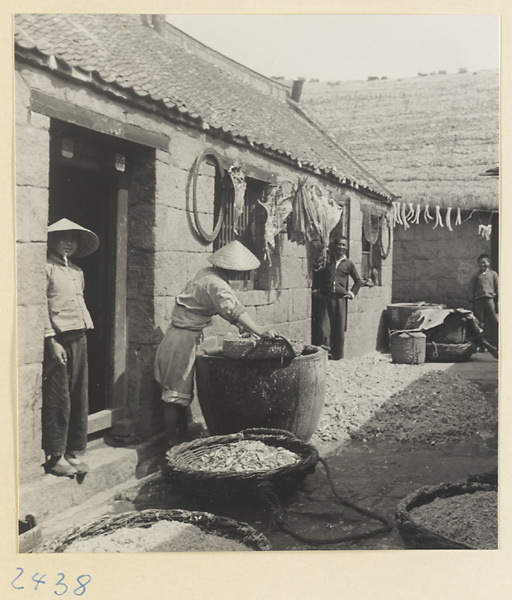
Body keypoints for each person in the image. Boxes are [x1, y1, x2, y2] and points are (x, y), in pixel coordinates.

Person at [155, 240, 277, 447]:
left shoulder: (207, 273)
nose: (241, 275)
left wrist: (241, 325)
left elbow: (219, 306)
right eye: (240, 271)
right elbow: (233, 309)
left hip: (184, 336)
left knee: (183, 392)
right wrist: (259, 330)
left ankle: (183, 437)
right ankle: (170, 443)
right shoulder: (216, 283)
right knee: (174, 396)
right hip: (181, 341)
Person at [42, 218, 99, 477]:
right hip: (59, 338)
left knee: (78, 393)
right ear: (52, 240)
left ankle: (71, 450)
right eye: (63, 238)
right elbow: (41, 306)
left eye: (73, 239)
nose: (68, 243)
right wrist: (51, 340)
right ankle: (55, 456)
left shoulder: (77, 271)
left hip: (80, 335)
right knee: (59, 396)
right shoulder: (46, 269)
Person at [312, 237, 362, 360]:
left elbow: (358, 281)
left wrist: (351, 293)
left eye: (344, 245)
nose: (341, 247)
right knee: (324, 325)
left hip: (340, 299)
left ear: (347, 248)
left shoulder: (348, 263)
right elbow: (318, 272)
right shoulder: (328, 260)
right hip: (325, 297)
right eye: (340, 245)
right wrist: (316, 288)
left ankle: (338, 355)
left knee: (339, 326)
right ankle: (324, 353)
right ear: (335, 246)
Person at [468, 253, 498, 349]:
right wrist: (471, 300)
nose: (482, 265)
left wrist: (498, 300)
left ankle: (495, 343)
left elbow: (497, 288)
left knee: (494, 321)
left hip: (490, 300)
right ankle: (481, 345)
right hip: (478, 301)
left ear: (488, 263)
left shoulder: (493, 274)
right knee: (479, 323)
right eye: (480, 263)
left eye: (484, 263)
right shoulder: (476, 276)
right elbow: (471, 289)